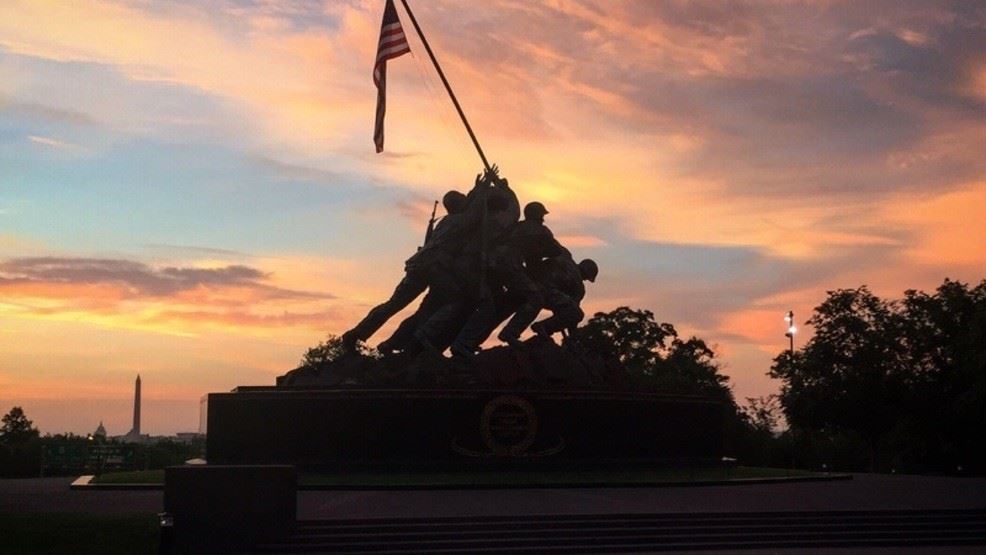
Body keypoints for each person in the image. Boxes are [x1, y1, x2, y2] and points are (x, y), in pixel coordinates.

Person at [340, 176, 486, 353]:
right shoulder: (459, 221)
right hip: (434, 267)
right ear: (459, 204)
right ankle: (423, 335)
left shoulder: (446, 222)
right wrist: (483, 188)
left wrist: (476, 189)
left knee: (393, 304)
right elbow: (475, 212)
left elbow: (468, 206)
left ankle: (354, 334)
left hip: (418, 265)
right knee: (457, 299)